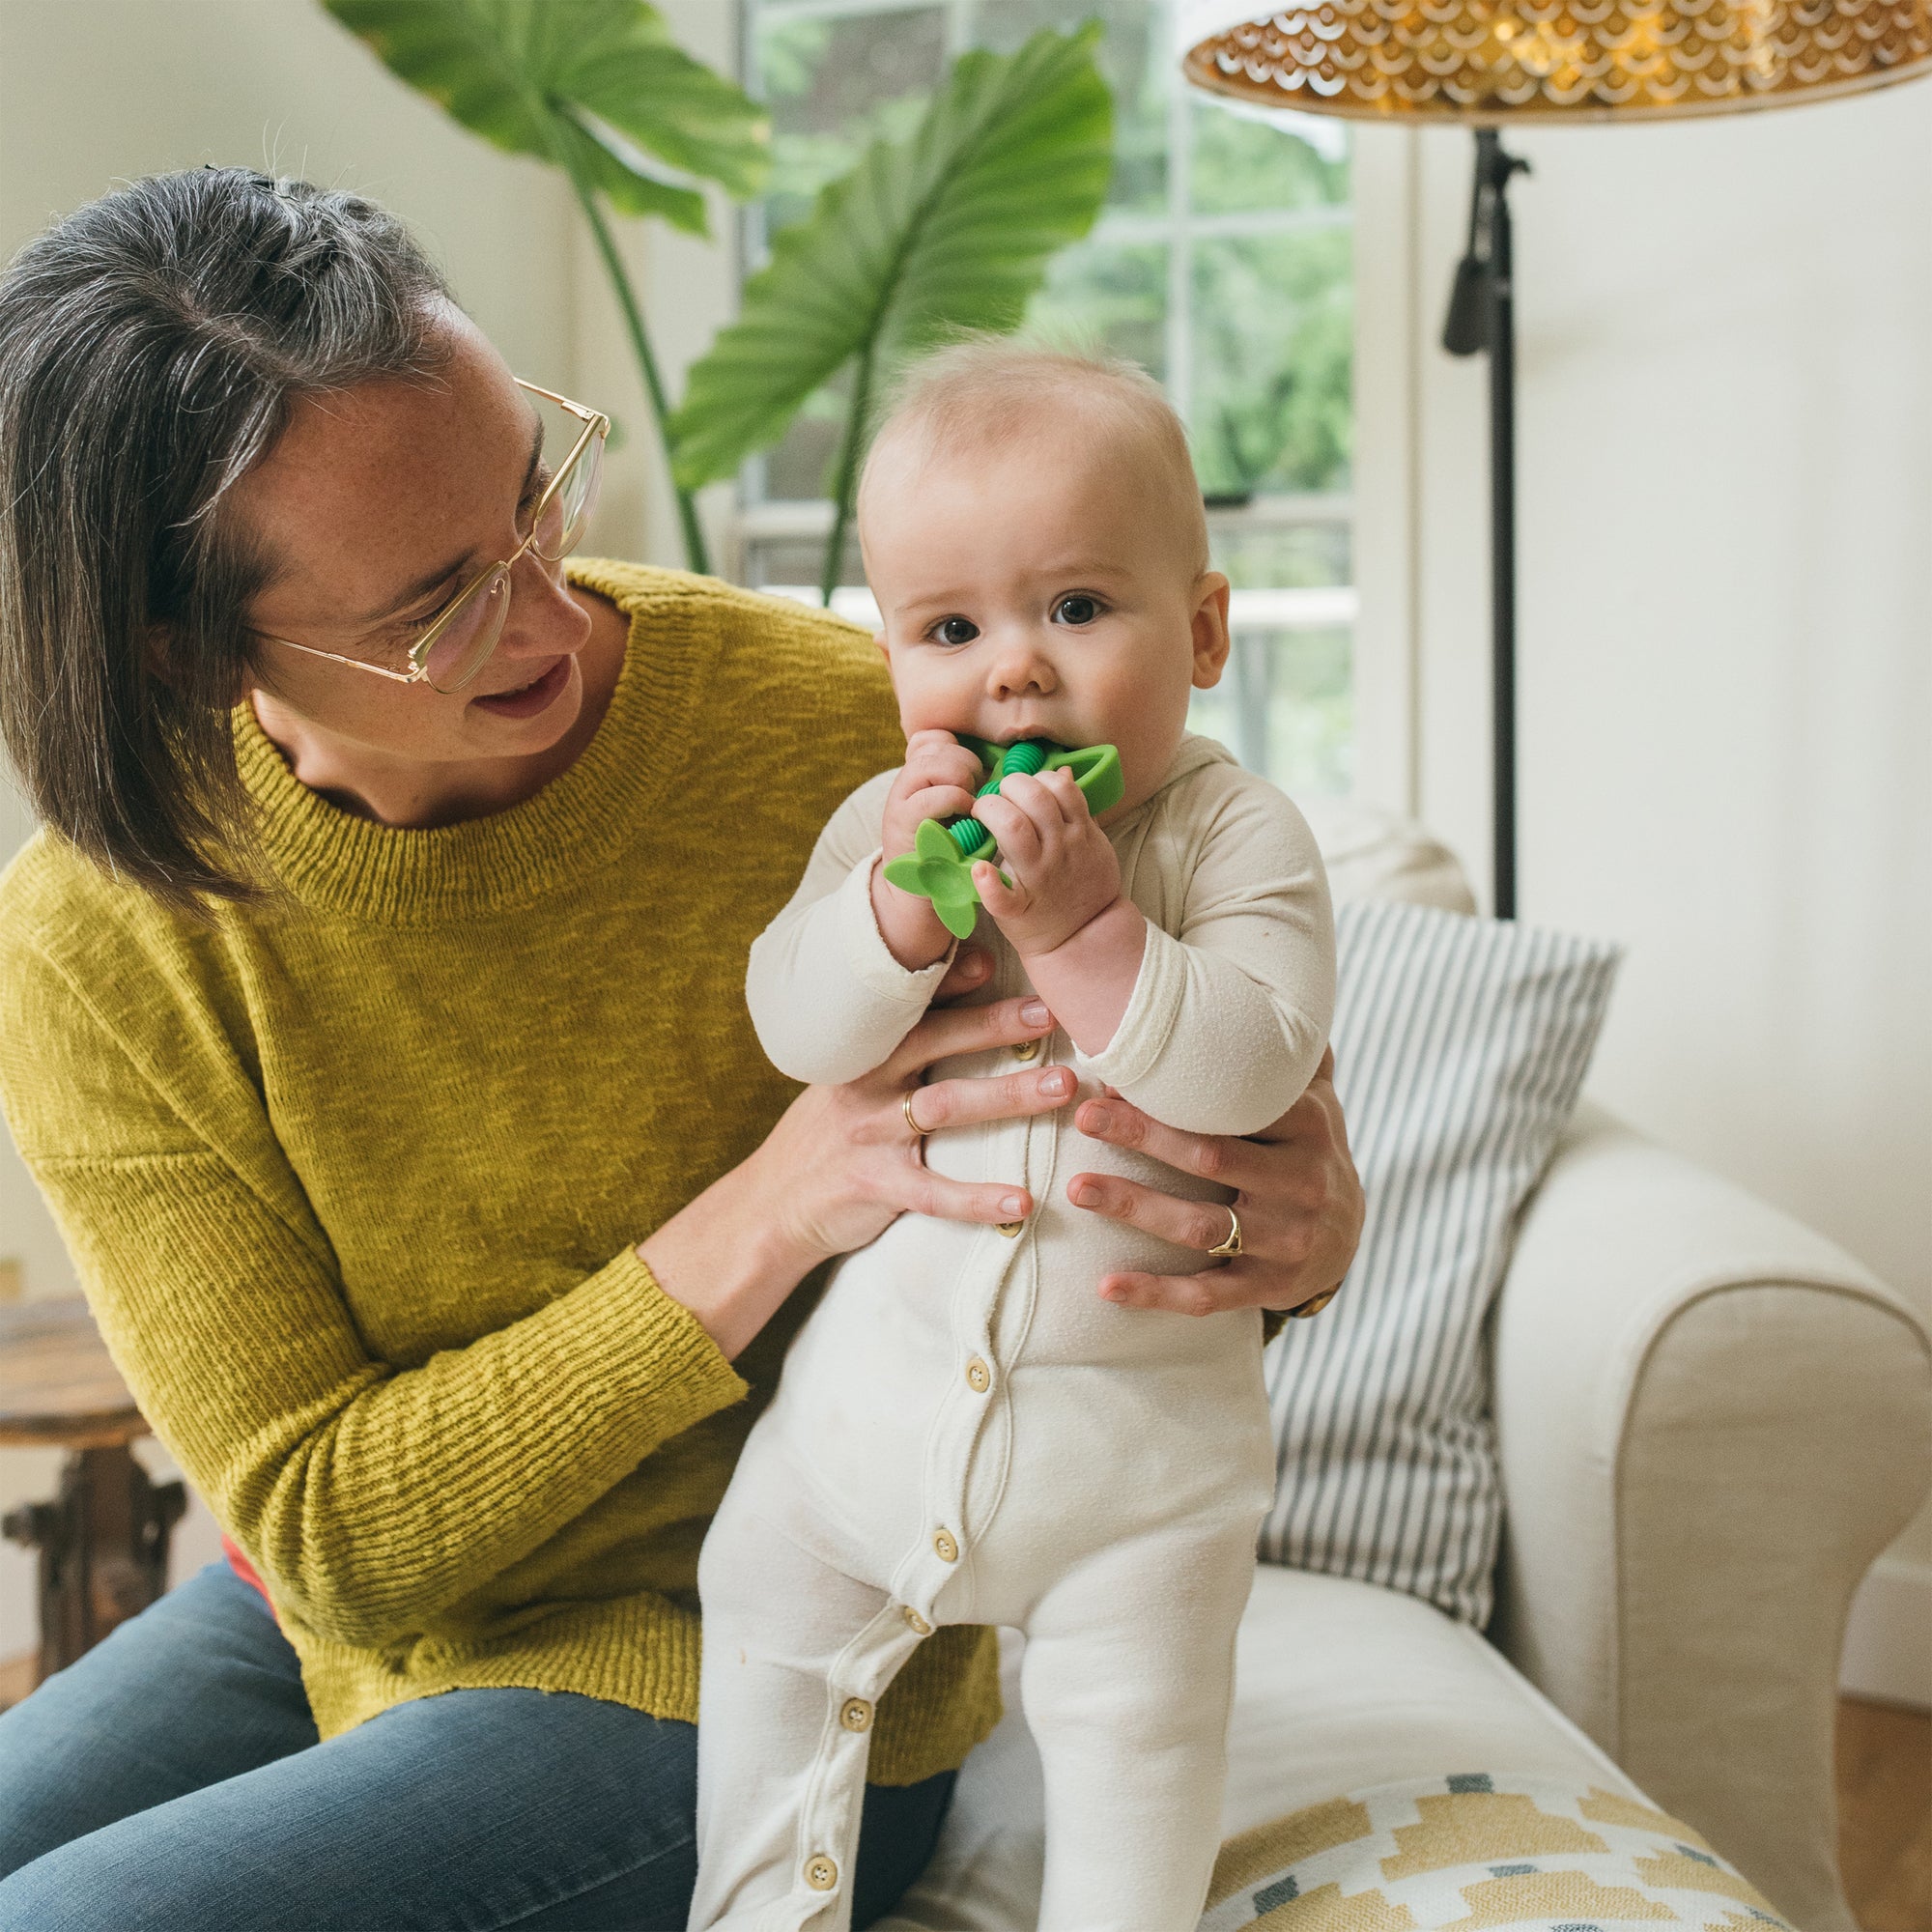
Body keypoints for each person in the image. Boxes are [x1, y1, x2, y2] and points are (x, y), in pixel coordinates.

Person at [0, 170, 1363, 1932]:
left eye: (531, 495)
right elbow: (324, 1537)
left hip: (770, 1651)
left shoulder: (856, 725)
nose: (553, 614)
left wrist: (1301, 1233)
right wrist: (769, 1211)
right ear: (185, 659)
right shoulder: (102, 942)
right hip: (344, 1612)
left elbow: (1187, 1071)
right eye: (439, 607)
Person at [689, 344, 1337, 1932]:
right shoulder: (884, 832)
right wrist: (900, 912)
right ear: (893, 651)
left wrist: (1090, 929)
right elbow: (800, 1030)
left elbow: (1255, 1065)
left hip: (1143, 1486)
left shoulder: (1234, 833)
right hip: (863, 1436)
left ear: (1201, 630)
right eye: (952, 630)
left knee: (1139, 1747)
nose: (1015, 675)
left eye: (1076, 609)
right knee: (761, 1597)